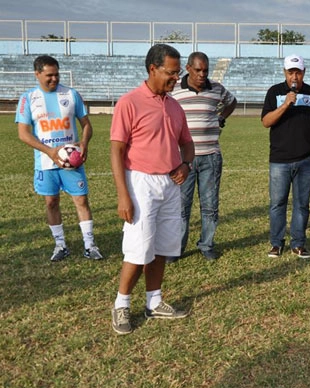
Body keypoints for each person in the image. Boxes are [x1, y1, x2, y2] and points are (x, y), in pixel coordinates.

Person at [110, 44, 195, 335]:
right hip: (140, 182)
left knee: (162, 246)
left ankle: (154, 301)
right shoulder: (129, 103)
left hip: (171, 183)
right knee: (138, 248)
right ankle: (121, 304)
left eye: (177, 72)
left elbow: (187, 142)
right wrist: (123, 194)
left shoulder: (174, 105)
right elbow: (116, 151)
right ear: (152, 69)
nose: (176, 78)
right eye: (171, 73)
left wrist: (186, 164)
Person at [15, 55, 104, 262]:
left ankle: (90, 245)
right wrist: (50, 152)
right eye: (49, 75)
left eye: (57, 74)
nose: (54, 79)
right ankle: (60, 245)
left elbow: (87, 124)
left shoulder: (71, 94)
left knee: (81, 200)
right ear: (37, 74)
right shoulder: (28, 98)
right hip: (46, 162)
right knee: (51, 202)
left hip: (71, 161)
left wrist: (84, 142)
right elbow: (23, 134)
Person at [168, 52, 237, 263]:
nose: (202, 74)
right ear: (188, 68)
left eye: (205, 70)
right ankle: (176, 249)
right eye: (198, 70)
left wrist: (221, 117)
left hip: (211, 158)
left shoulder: (216, 89)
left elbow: (232, 102)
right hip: (183, 160)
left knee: (210, 206)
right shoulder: (175, 90)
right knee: (181, 207)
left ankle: (206, 245)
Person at [261, 54, 310, 259]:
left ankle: (298, 243)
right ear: (284, 72)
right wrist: (285, 105)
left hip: (306, 160)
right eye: (291, 72)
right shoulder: (275, 92)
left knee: (302, 204)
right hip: (279, 161)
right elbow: (266, 121)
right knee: (277, 203)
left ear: (304, 72)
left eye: (298, 72)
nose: (294, 76)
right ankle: (276, 243)